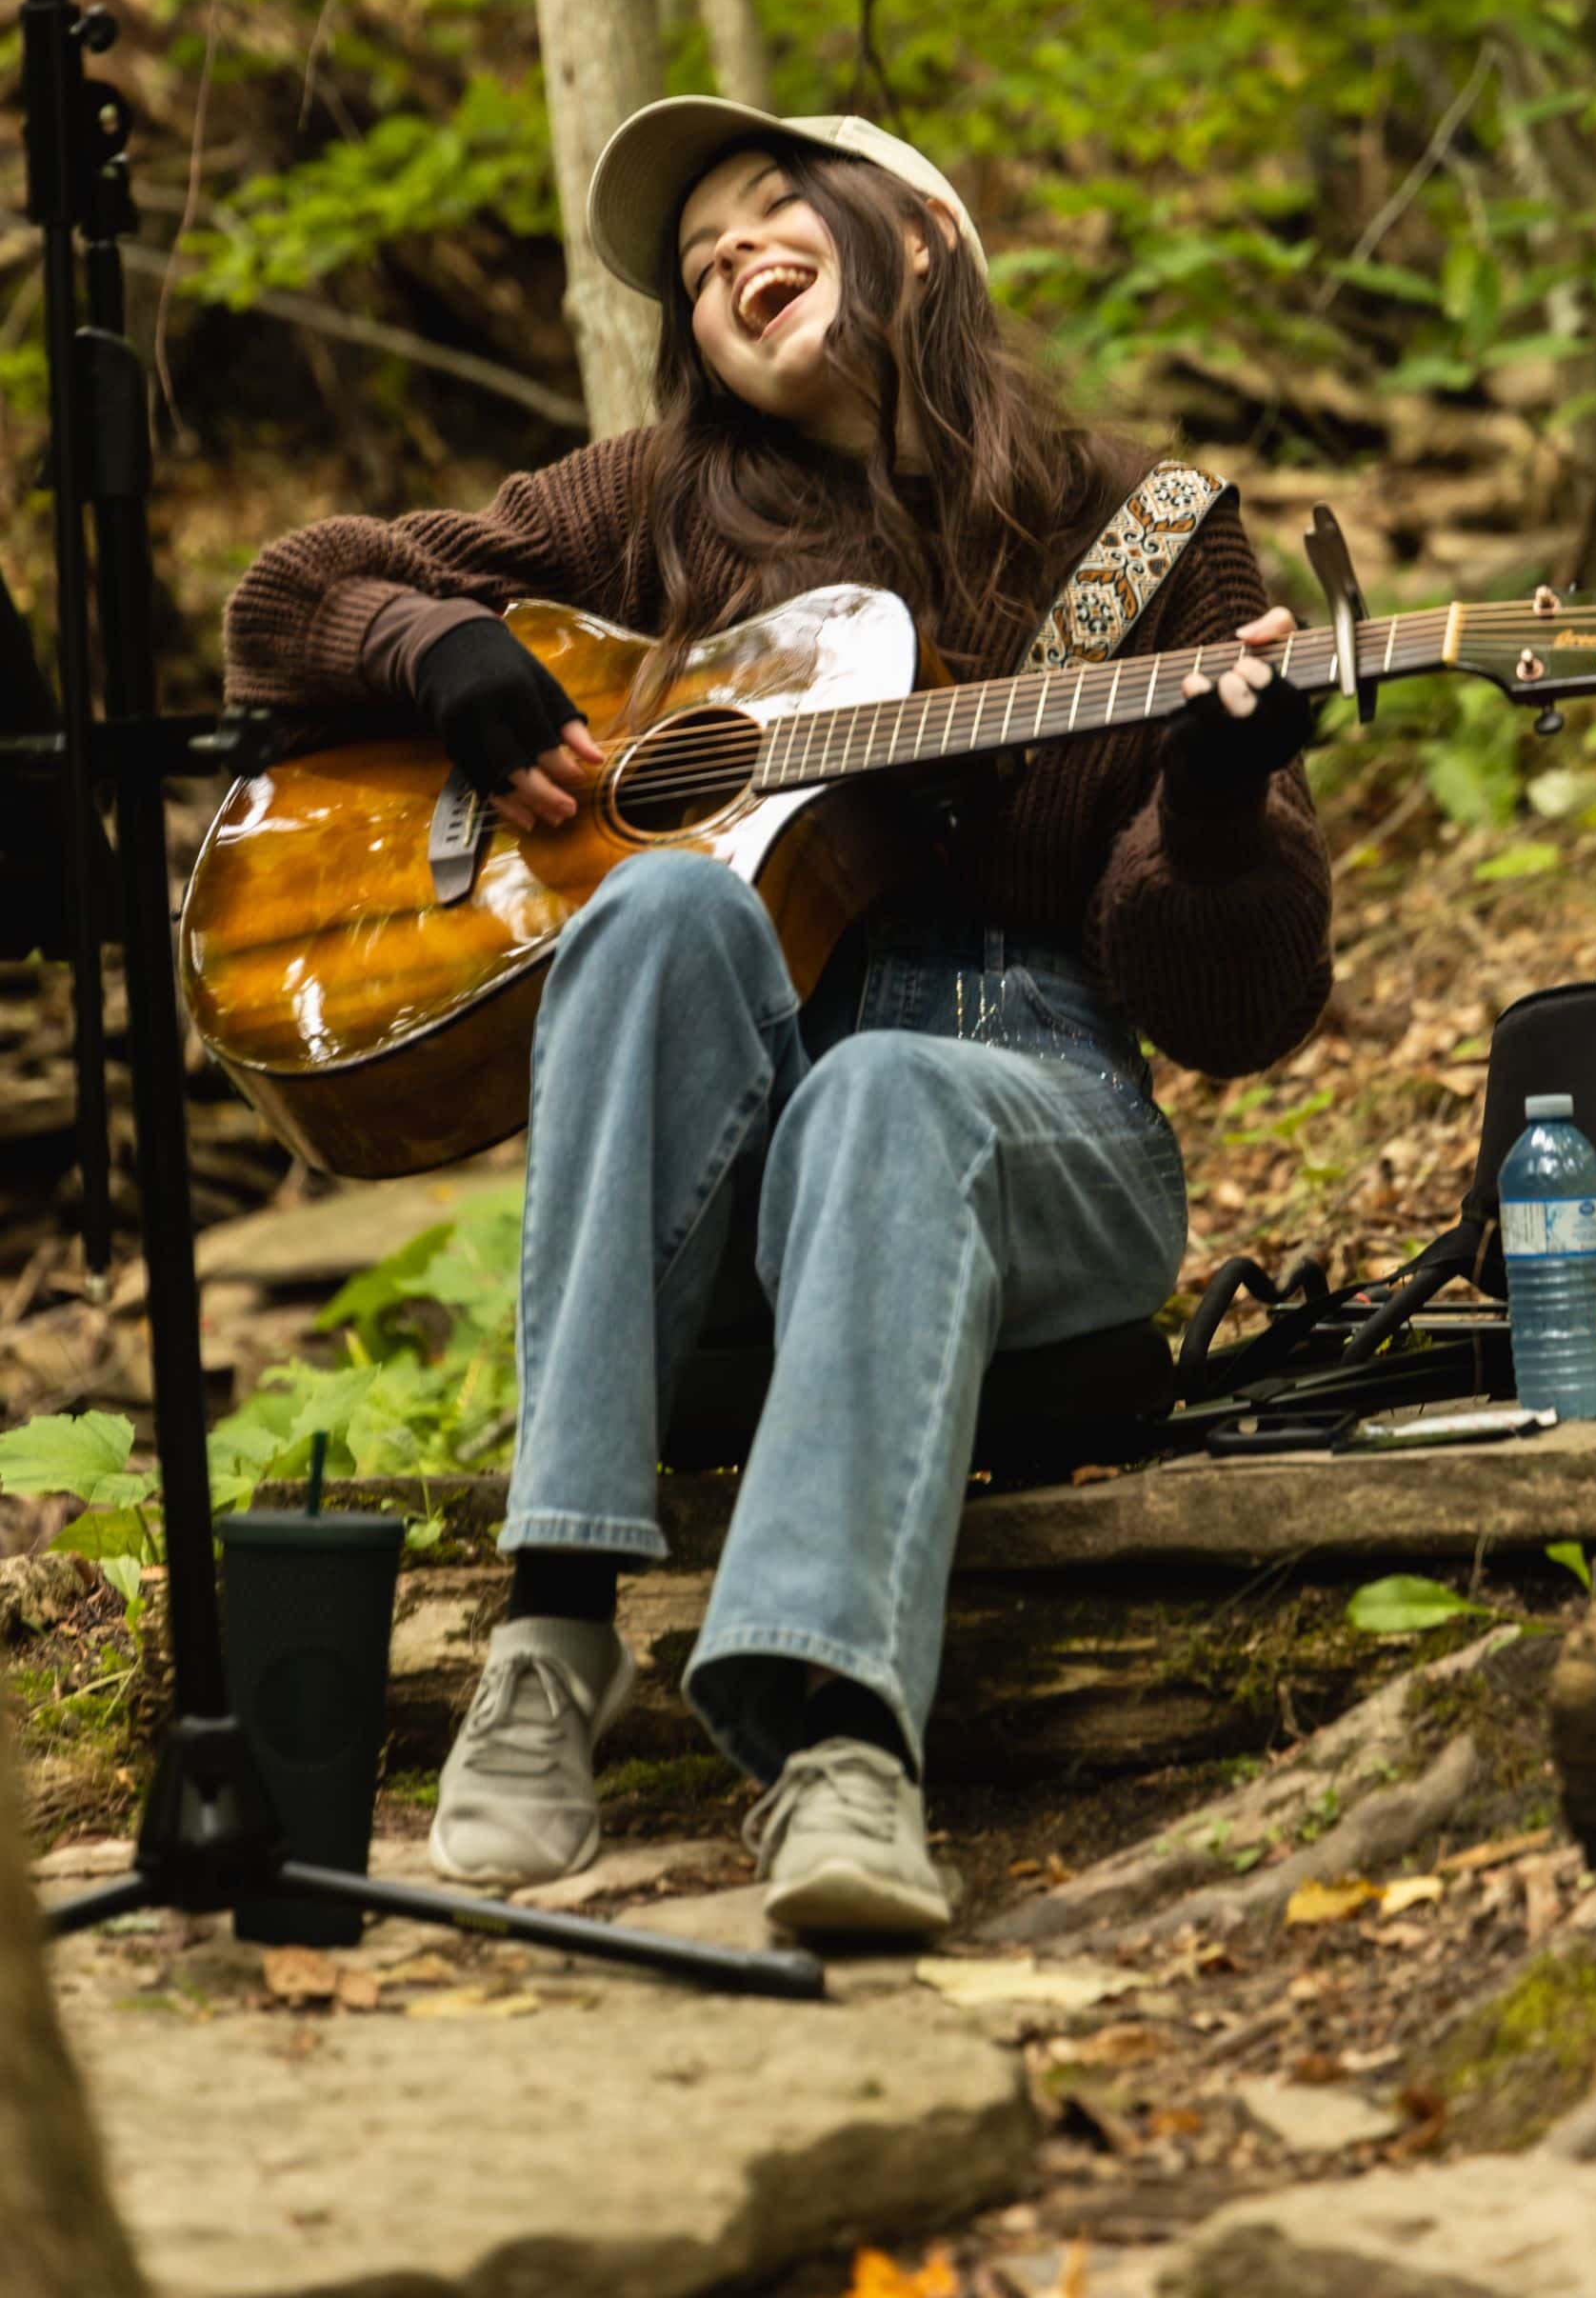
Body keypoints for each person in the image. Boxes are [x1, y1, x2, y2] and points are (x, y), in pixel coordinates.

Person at [222, 98, 1333, 1942]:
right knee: (658, 900)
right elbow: (286, 600)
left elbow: (1244, 1001)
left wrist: (1215, 804)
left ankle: (839, 1747)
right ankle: (553, 1629)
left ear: (923, 236)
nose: (732, 253)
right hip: (729, 1190)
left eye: (771, 205)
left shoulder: (1149, 538)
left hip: (1029, 1113)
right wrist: (438, 651)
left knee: (888, 1092)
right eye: (699, 259)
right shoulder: (653, 509)